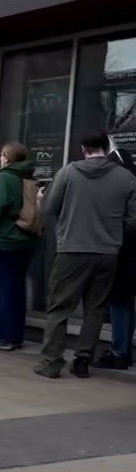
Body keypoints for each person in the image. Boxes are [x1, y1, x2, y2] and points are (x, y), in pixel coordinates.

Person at [34, 131, 136, 378]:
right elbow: (133, 220)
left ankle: (51, 362)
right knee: (96, 308)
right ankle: (83, 360)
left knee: (60, 307)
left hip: (71, 249)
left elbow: (49, 207)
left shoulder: (68, 173)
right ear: (106, 149)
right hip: (107, 252)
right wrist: (112, 232)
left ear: (83, 149)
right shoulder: (126, 178)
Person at [0, 143, 39, 352]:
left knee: (4, 289)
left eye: (2, 154)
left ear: (8, 158)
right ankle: (16, 336)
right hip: (26, 240)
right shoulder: (28, 176)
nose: (0, 157)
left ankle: (4, 337)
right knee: (17, 288)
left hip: (3, 240)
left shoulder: (4, 178)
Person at [97, 144, 136, 370]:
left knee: (119, 300)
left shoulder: (125, 187)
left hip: (123, 251)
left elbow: (130, 222)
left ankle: (119, 351)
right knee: (125, 302)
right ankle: (123, 350)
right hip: (128, 251)